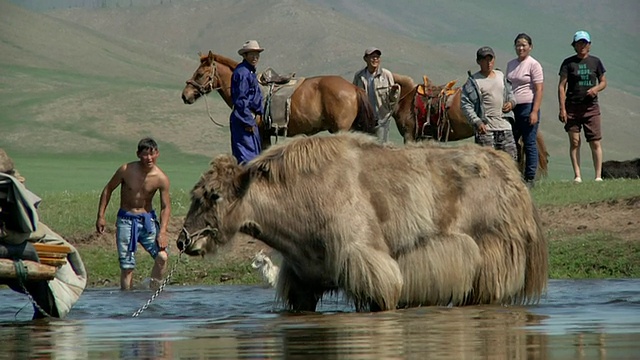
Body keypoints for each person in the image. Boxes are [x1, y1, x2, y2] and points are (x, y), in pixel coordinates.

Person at [96, 138, 170, 290]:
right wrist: (101, 216)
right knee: (127, 266)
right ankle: (127, 301)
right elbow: (108, 189)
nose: (149, 158)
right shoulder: (126, 170)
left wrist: (162, 232)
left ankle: (154, 292)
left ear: (157, 154)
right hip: (126, 220)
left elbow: (165, 207)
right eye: (145, 154)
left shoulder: (161, 178)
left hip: (147, 221)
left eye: (152, 154)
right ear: (138, 154)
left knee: (162, 256)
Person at [558, 30, 607, 183]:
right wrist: (562, 108)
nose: (582, 46)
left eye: (584, 43)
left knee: (595, 141)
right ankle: (577, 175)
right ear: (574, 45)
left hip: (591, 107)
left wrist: (595, 89)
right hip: (572, 107)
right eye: (579, 43)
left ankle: (598, 176)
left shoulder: (596, 62)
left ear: (589, 45)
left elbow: (604, 82)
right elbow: (561, 86)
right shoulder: (568, 63)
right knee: (574, 141)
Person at [461, 46, 518, 160]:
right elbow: (466, 104)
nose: (488, 63)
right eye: (484, 60)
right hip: (486, 128)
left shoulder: (501, 76)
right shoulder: (473, 82)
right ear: (478, 61)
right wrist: (477, 122)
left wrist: (511, 102)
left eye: (490, 59)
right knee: (487, 162)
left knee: (510, 161)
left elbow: (510, 93)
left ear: (494, 59)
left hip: (504, 125)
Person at [506, 33, 544, 188]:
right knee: (512, 142)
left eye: (524, 45)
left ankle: (529, 178)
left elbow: (539, 89)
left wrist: (534, 111)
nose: (520, 48)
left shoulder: (534, 64)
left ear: (530, 47)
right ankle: (514, 175)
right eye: (518, 45)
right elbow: (508, 86)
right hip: (512, 108)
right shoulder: (511, 64)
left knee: (529, 142)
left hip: (528, 106)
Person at [353, 47, 400, 143]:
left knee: (380, 149)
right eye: (372, 57)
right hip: (364, 120)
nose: (375, 59)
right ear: (365, 59)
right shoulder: (359, 76)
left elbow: (392, 100)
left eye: (377, 57)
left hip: (381, 119)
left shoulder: (386, 75)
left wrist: (393, 92)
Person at [230, 40, 264, 164]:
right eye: (252, 54)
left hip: (249, 118)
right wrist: (248, 121)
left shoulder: (249, 71)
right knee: (247, 158)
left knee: (253, 155)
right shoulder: (242, 73)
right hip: (243, 120)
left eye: (257, 54)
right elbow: (241, 99)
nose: (255, 57)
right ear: (245, 55)